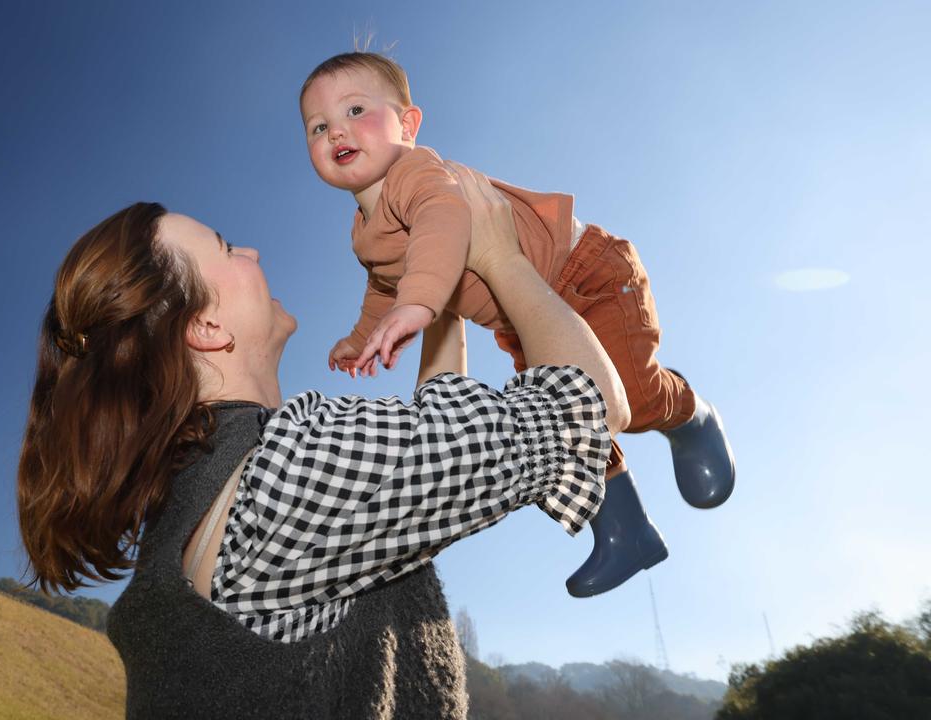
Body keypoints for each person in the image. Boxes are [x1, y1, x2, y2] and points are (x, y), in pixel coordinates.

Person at [16, 169, 629, 718]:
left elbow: (441, 432)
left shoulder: (207, 491)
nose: (251, 251)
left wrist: (438, 288)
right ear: (204, 326)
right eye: (227, 250)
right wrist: (499, 255)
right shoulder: (291, 472)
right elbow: (592, 407)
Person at [299, 52, 736, 598]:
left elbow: (443, 222)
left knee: (629, 396)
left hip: (582, 272)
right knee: (560, 416)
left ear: (407, 125)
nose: (336, 129)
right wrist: (362, 337)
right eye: (319, 127)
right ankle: (625, 529)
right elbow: (382, 286)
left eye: (356, 109)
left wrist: (421, 304)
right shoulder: (364, 233)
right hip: (521, 313)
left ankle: (691, 416)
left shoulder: (417, 174)